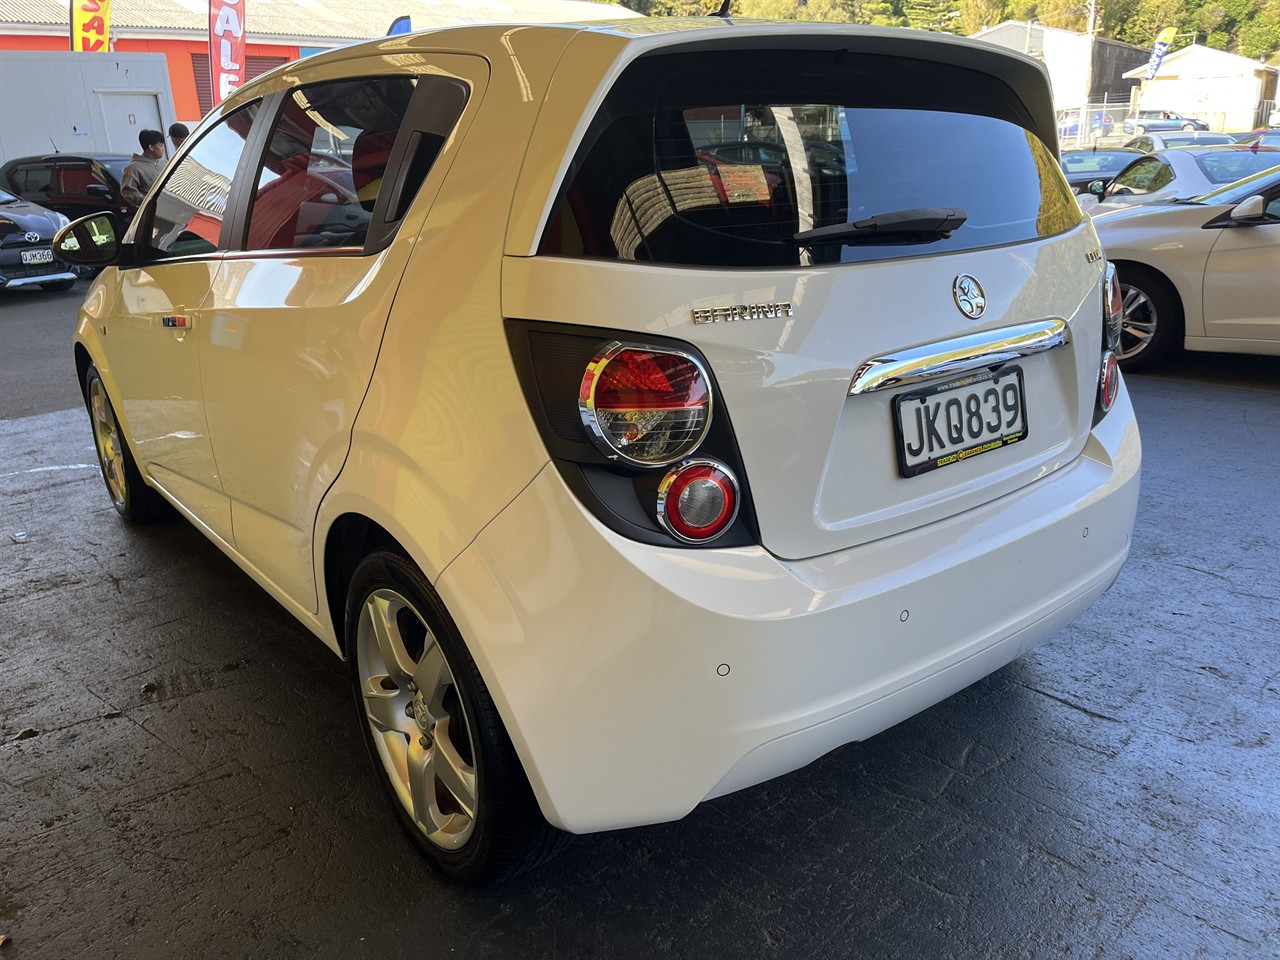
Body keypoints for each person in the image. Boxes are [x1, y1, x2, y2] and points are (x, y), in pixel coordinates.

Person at [120, 129, 165, 207]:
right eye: (160, 146)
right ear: (151, 147)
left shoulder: (164, 163)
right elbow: (128, 191)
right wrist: (148, 202)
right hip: (152, 211)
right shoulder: (134, 168)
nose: (163, 149)